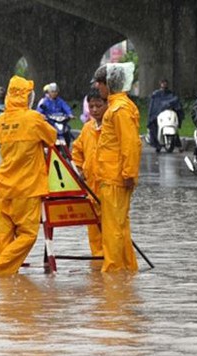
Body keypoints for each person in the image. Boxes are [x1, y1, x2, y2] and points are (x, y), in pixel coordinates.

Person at [0, 75, 57, 276]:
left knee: (4, 234)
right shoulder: (32, 119)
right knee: (28, 234)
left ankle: (7, 283)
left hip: (4, 186)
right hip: (27, 186)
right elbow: (51, 137)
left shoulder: (1, 120)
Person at [91, 62, 141, 273]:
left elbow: (129, 144)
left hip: (115, 178)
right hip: (112, 176)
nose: (97, 89)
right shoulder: (117, 107)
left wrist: (129, 174)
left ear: (108, 84)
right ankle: (127, 270)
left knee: (112, 229)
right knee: (120, 227)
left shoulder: (119, 109)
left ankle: (112, 272)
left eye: (99, 84)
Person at [71, 88, 108, 257]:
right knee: (94, 229)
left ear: (106, 104)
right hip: (91, 188)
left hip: (109, 187)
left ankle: (113, 261)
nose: (94, 110)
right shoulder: (87, 128)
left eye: (98, 105)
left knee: (111, 228)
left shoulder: (111, 127)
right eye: (91, 106)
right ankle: (98, 260)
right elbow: (77, 150)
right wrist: (79, 169)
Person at [148, 79, 184, 151]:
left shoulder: (170, 94)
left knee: (174, 126)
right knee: (154, 125)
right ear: (160, 84)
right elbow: (154, 106)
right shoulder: (156, 94)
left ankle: (178, 144)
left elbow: (175, 102)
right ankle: (157, 144)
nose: (164, 84)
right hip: (158, 115)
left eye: (165, 83)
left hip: (169, 114)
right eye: (162, 83)